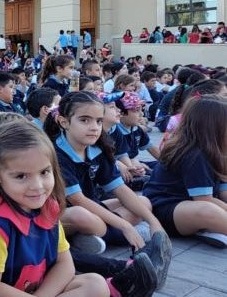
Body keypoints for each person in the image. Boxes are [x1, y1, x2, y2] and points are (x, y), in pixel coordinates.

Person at [0, 121, 108, 297]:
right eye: (21, 176)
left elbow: (65, 265)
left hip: (28, 290)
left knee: (95, 284)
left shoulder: (48, 207)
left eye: (44, 172)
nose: (37, 186)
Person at [44, 92, 170, 261]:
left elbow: (119, 188)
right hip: (59, 214)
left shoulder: (98, 148)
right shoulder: (56, 153)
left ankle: (88, 238)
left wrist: (154, 222)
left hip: (92, 208)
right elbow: (78, 200)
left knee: (144, 203)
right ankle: (120, 233)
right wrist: (125, 226)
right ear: (64, 122)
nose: (94, 127)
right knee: (82, 216)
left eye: (98, 120)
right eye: (84, 120)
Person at [143, 95, 227, 248]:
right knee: (208, 211)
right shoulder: (195, 154)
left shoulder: (217, 152)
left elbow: (223, 192)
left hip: (194, 204)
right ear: (213, 128)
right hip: (166, 208)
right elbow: (204, 202)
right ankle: (209, 227)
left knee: (212, 210)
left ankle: (210, 228)